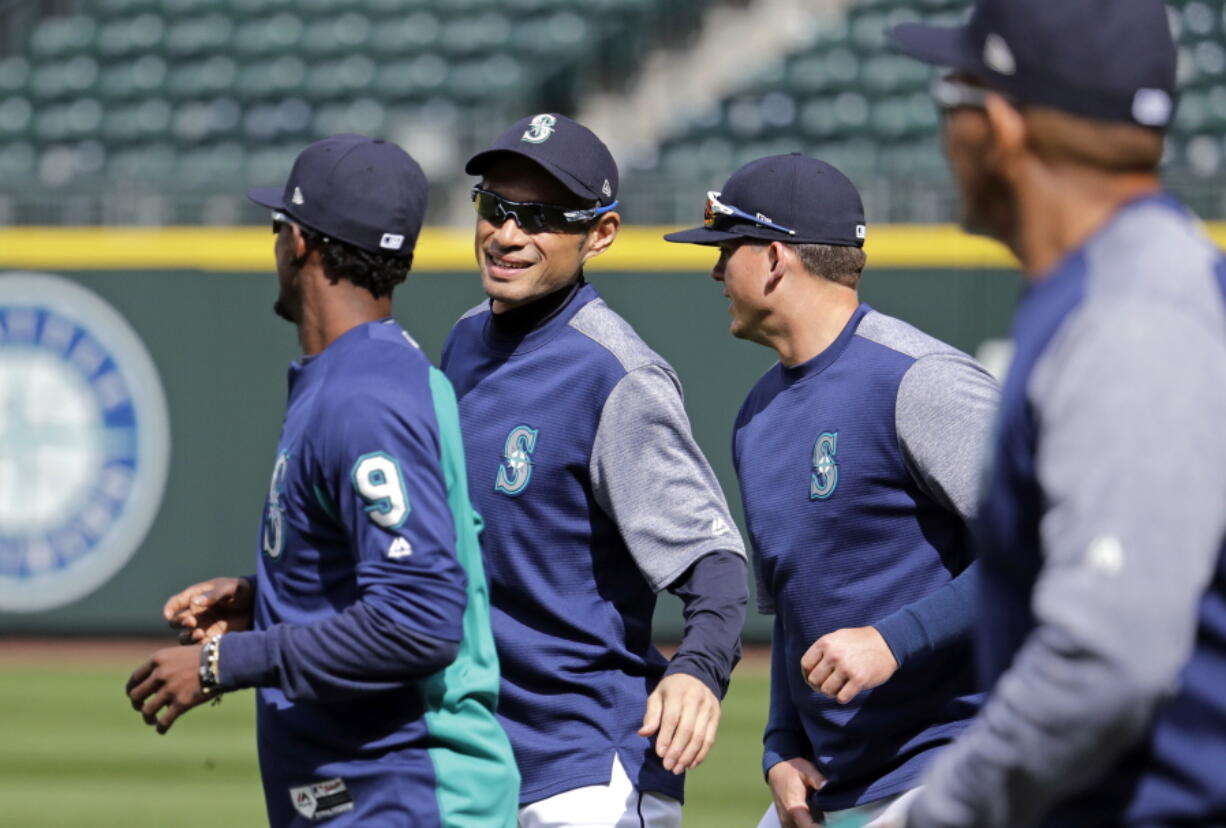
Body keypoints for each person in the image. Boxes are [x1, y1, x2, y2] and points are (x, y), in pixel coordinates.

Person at [883, 0, 1226, 825]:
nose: (945, 132)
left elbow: (1107, 658)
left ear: (999, 124)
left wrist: (942, 812)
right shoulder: (1119, 284)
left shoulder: (1133, 314)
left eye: (951, 99)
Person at [125, 134, 519, 827]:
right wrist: (268, 600)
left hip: (408, 797)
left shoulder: (364, 397)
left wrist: (228, 661)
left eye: (279, 227)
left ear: (300, 242)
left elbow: (420, 622)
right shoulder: (367, 376)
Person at [664, 153, 999, 828]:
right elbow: (795, 606)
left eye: (727, 251)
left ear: (776, 258)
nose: (714, 271)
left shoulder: (920, 380)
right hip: (827, 791)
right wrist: (780, 748)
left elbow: (1045, 550)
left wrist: (894, 640)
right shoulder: (757, 417)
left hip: (951, 766)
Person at [440, 113, 749, 827]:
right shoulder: (462, 341)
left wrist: (698, 672)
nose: (508, 234)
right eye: (496, 207)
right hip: (477, 759)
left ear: (599, 234)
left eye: (542, 217)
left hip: (585, 773)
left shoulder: (614, 374)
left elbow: (716, 563)